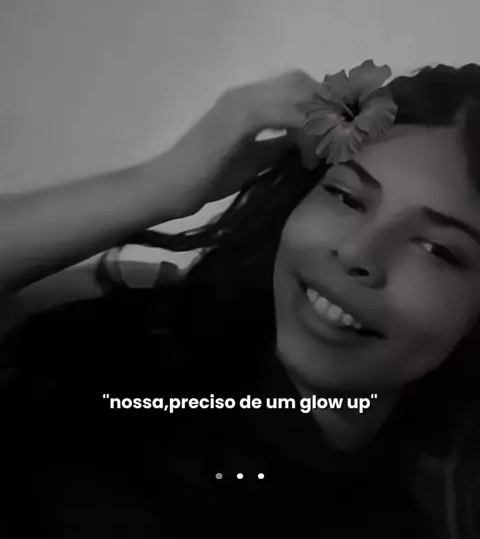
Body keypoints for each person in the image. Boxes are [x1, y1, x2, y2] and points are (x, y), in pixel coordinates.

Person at [1, 61, 480, 538]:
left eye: (436, 250)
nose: (357, 253)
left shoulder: (429, 509)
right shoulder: (129, 324)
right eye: (346, 197)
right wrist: (155, 188)